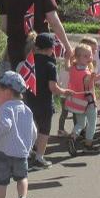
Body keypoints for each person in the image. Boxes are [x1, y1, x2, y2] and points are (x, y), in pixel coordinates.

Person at [0, 71, 36, 198]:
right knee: (22, 178)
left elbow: (5, 125)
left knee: (1, 182)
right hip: (21, 152)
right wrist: (29, 147)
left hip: (3, 151)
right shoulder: (27, 110)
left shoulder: (5, 108)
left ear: (8, 92)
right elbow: (34, 131)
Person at [27, 32, 69, 168]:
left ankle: (28, 154)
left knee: (32, 128)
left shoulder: (28, 62)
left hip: (29, 100)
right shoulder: (50, 65)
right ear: (51, 49)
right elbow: (53, 87)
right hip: (44, 102)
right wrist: (65, 92)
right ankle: (39, 157)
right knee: (44, 131)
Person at [64, 44, 99, 154]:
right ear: (78, 57)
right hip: (88, 101)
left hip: (76, 101)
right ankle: (88, 145)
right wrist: (93, 78)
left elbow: (66, 66)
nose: (89, 57)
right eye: (86, 56)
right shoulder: (86, 73)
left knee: (81, 123)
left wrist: (67, 59)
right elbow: (88, 87)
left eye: (89, 55)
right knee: (92, 122)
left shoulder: (73, 68)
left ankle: (73, 137)